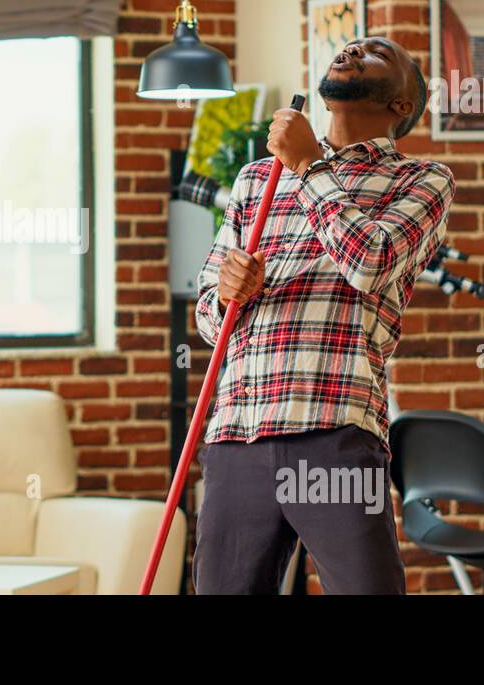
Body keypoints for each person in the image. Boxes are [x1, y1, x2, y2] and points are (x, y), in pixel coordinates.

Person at [192, 37, 455, 595]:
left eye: (378, 52)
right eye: (352, 44)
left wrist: (308, 164)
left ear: (401, 106)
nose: (356, 48)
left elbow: (370, 261)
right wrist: (227, 293)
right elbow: (210, 317)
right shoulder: (255, 180)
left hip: (334, 433)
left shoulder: (422, 181)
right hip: (238, 431)